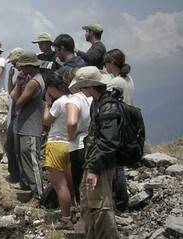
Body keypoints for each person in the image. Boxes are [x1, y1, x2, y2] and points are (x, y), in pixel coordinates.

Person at [69, 66, 119, 238]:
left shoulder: (107, 107)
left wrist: (95, 169)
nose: (81, 90)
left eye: (83, 87)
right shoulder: (97, 104)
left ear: (90, 87)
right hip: (91, 162)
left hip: (99, 166)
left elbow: (108, 141)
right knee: (89, 207)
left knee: (101, 209)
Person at [11, 52, 46, 207]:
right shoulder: (33, 80)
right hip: (26, 126)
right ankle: (34, 192)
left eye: (23, 66)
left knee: (32, 162)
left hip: (31, 127)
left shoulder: (34, 83)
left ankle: (38, 195)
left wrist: (19, 84)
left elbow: (18, 102)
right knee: (26, 161)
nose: (21, 69)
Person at [104, 48, 135, 213]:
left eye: (106, 62)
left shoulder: (115, 82)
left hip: (117, 125)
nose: (105, 65)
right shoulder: (128, 79)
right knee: (119, 165)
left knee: (117, 167)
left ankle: (121, 204)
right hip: (128, 124)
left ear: (112, 63)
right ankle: (122, 202)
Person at [43, 72, 74, 229]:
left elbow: (47, 120)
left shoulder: (59, 102)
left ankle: (65, 218)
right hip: (71, 144)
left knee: (59, 184)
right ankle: (73, 211)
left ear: (53, 87)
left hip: (56, 143)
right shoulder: (73, 99)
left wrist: (47, 105)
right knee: (70, 183)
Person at [64, 67, 93, 206]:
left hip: (77, 144)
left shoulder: (75, 99)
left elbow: (71, 122)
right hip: (91, 143)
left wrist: (70, 135)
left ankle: (81, 211)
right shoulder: (92, 98)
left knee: (78, 182)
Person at [4, 47, 28, 190]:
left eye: (14, 63)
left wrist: (17, 83)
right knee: (10, 145)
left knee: (16, 147)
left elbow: (14, 96)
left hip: (20, 114)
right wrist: (10, 77)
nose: (14, 66)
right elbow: (11, 91)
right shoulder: (19, 75)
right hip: (15, 113)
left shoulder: (25, 77)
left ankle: (19, 177)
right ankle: (14, 175)